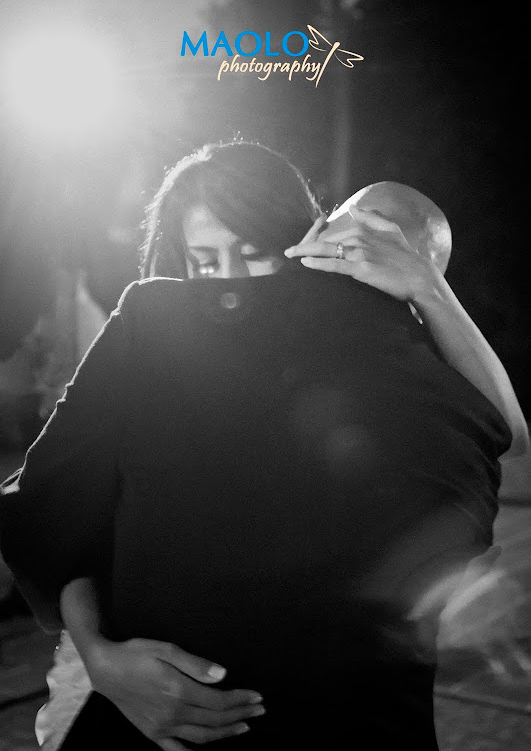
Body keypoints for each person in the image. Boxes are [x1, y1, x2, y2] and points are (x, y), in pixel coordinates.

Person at [0, 142, 526, 751]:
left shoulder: (378, 354)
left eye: (254, 256)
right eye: (204, 262)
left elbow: (499, 434)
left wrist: (427, 289)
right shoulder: (155, 341)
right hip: (162, 716)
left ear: (302, 245)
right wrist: (100, 659)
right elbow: (62, 512)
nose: (229, 278)